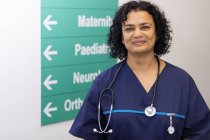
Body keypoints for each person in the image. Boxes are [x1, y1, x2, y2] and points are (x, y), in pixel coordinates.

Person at [69, 1, 210, 139]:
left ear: (157, 33)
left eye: (145, 27)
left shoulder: (182, 81)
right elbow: (91, 134)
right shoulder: (104, 81)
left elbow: (199, 132)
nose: (137, 34)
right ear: (122, 37)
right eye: (129, 29)